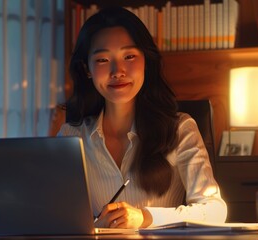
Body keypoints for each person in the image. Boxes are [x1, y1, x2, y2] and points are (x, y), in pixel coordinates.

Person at [58, 6, 227, 229]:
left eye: (129, 56)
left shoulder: (179, 129)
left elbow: (215, 210)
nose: (118, 71)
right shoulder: (71, 136)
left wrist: (145, 217)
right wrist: (96, 224)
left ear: (145, 60)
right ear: (87, 69)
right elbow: (56, 217)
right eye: (102, 60)